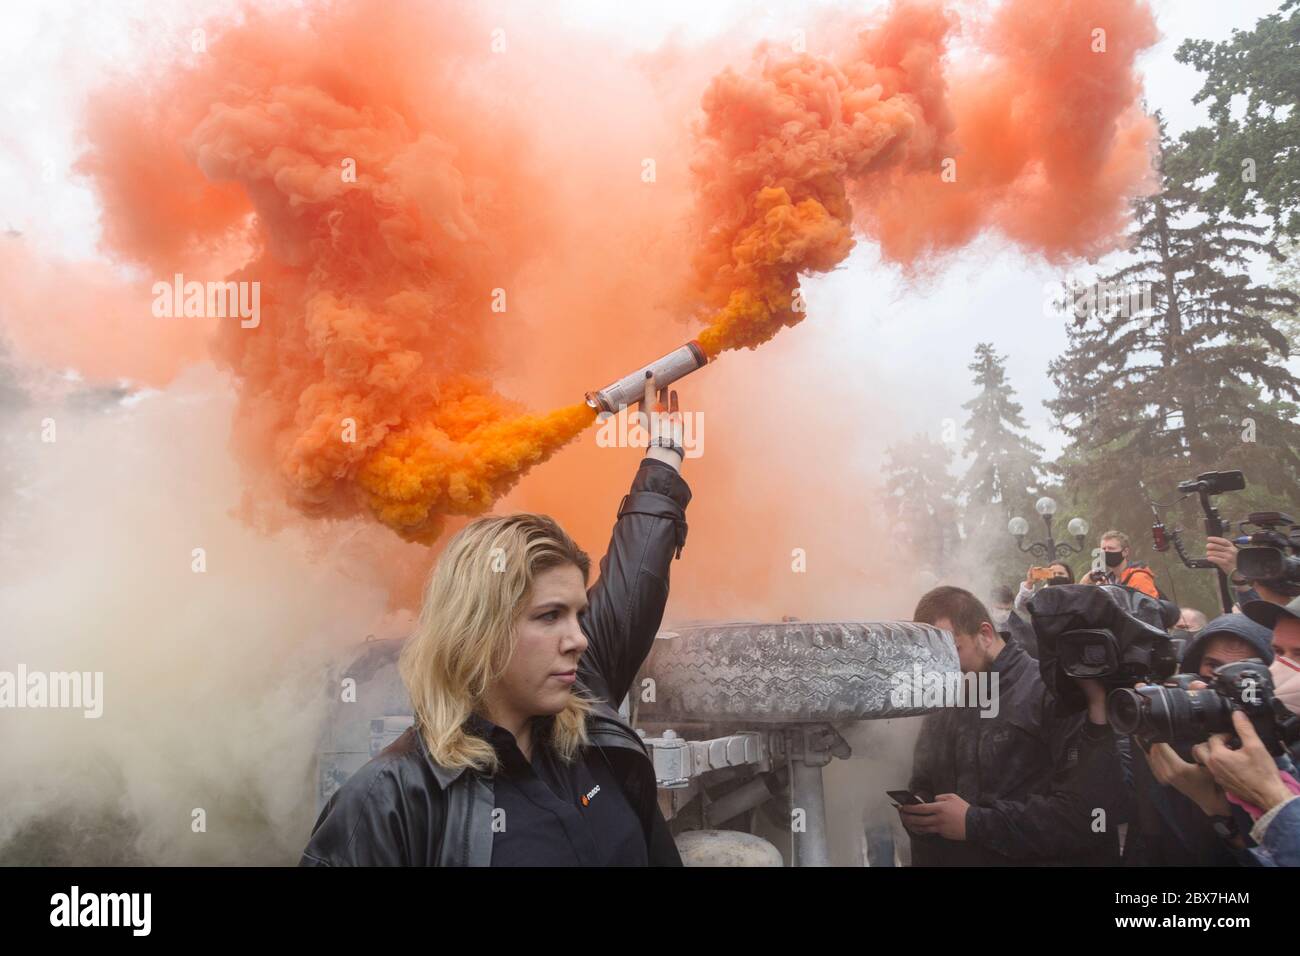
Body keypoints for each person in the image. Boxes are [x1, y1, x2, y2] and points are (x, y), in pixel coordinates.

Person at [300, 379, 692, 866]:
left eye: (579, 613)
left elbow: (635, 583)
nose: (578, 639)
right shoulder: (388, 803)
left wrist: (665, 453)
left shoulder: (585, 712)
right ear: (478, 630)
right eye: (549, 616)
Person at [900, 586, 1122, 865]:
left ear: (985, 634)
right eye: (931, 657)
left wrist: (975, 823)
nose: (943, 667)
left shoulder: (1051, 693)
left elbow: (1088, 816)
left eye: (953, 651)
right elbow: (923, 778)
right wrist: (921, 813)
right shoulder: (944, 697)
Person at [1122, 613, 1277, 866]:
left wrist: (1215, 807)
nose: (1219, 683)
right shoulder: (1169, 734)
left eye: (1243, 672)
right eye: (1213, 667)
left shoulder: (1283, 753)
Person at [1088, 530, 1159, 598]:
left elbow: (1150, 608)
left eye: (1111, 548)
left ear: (1125, 552)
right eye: (1103, 549)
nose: (1106, 552)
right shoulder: (1107, 580)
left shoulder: (1138, 577)